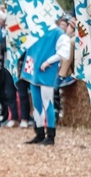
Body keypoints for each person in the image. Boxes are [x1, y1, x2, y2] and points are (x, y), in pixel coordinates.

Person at [22, 16, 73, 145]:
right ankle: (39, 133)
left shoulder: (58, 33)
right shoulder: (36, 31)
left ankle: (50, 136)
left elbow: (64, 53)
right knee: (37, 104)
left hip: (46, 71)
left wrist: (48, 62)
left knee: (47, 103)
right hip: (34, 71)